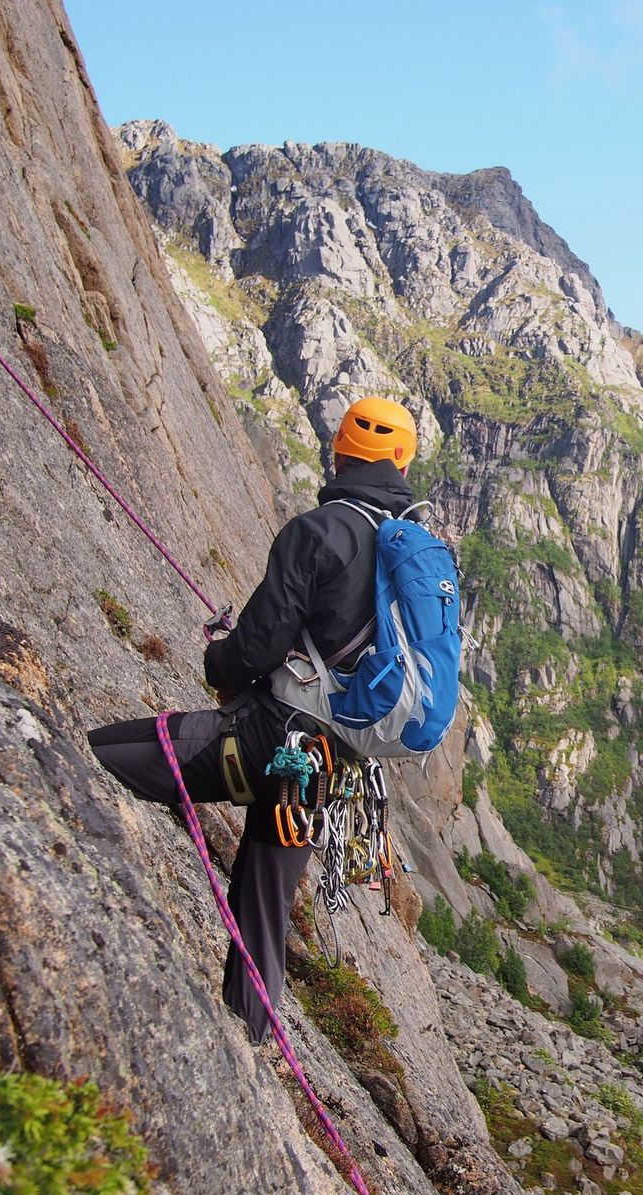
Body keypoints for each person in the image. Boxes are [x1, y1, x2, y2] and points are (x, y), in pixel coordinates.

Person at [88, 395, 419, 1043]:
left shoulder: (318, 532)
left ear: (340, 452)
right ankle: (250, 1041)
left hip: (273, 739)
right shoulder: (412, 555)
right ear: (403, 461)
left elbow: (259, 649)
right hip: (330, 767)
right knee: (264, 907)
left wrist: (220, 660)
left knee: (104, 756)